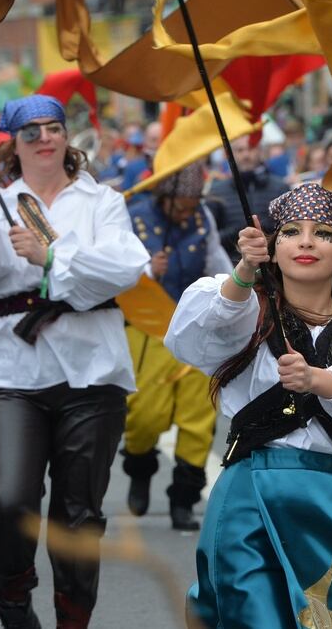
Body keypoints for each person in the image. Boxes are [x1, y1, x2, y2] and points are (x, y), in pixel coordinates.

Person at [165, 183, 332, 628]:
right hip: (250, 491)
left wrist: (320, 380)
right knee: (249, 612)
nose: (305, 241)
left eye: (323, 233)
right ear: (273, 249)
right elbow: (191, 340)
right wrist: (244, 272)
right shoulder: (247, 310)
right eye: (290, 233)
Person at [0, 96, 148, 629]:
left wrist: (53, 256)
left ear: (66, 136)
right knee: (9, 498)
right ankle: (13, 597)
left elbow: (125, 267)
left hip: (92, 372)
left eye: (53, 128)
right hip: (16, 370)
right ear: (12, 142)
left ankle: (73, 620)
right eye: (29, 132)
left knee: (78, 516)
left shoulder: (101, 200)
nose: (43, 139)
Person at [119, 163, 229, 531]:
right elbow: (110, 272)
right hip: (148, 326)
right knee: (144, 413)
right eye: (179, 206)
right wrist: (145, 269)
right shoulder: (131, 218)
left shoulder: (202, 220)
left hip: (197, 326)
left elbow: (217, 263)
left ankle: (184, 497)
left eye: (191, 204)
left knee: (199, 417)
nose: (186, 213)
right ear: (162, 197)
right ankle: (139, 466)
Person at [208, 137, 288, 263]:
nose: (246, 155)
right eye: (240, 150)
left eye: (251, 148)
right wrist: (238, 230)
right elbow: (210, 240)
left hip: (271, 265)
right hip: (231, 266)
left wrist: (267, 230)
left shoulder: (280, 187)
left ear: (260, 151)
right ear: (230, 154)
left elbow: (288, 232)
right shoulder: (217, 192)